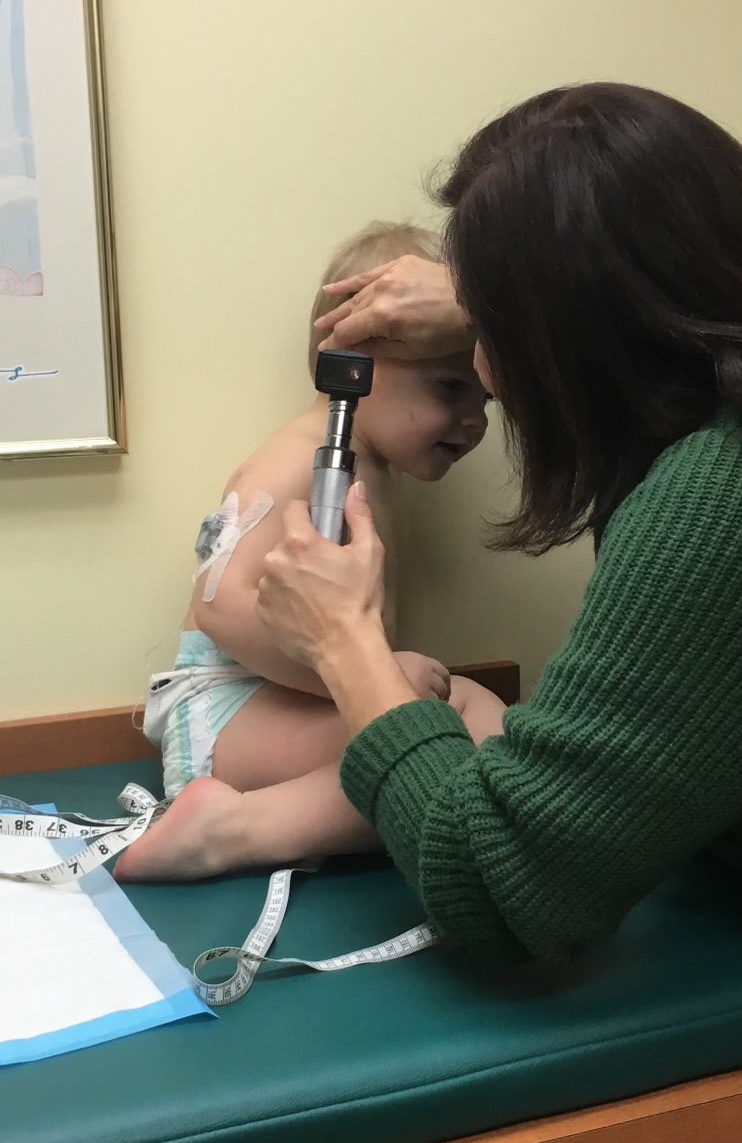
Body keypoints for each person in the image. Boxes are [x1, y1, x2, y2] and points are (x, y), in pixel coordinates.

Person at [129, 84, 742, 1143]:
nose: (484, 378)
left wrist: (347, 646)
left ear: (573, 325)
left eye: (492, 339)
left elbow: (503, 890)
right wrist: (486, 282)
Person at [118, 221, 505, 879]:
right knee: (463, 720)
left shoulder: (367, 469)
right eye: (449, 387)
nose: (475, 420)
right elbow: (219, 607)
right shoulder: (303, 461)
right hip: (222, 713)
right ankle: (230, 828)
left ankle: (259, 818)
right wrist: (364, 672)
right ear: (350, 360)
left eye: (484, 396)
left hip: (261, 714)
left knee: (464, 753)